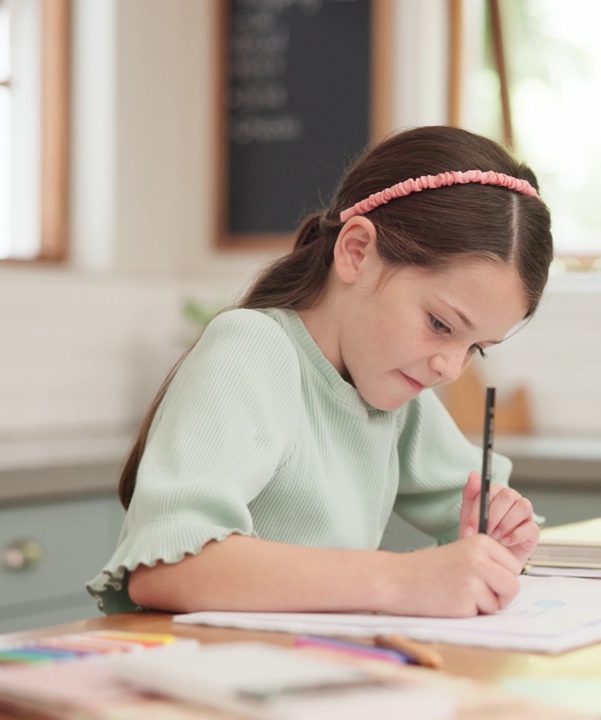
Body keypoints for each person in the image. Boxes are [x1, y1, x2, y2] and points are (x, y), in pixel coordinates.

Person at [86, 126, 553, 618]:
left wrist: (501, 535)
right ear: (356, 252)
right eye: (439, 324)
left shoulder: (392, 388)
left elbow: (479, 511)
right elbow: (166, 567)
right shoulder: (253, 348)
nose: (450, 367)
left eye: (475, 347)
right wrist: (402, 580)